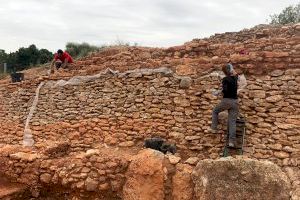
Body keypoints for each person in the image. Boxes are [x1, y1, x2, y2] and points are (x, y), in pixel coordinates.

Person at [210, 63, 239, 147]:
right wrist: (232, 69)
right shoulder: (235, 78)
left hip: (227, 100)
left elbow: (225, 90)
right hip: (235, 102)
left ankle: (213, 128)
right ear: (230, 70)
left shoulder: (225, 79)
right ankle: (231, 142)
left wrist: (218, 92)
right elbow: (235, 73)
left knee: (215, 111)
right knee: (232, 122)